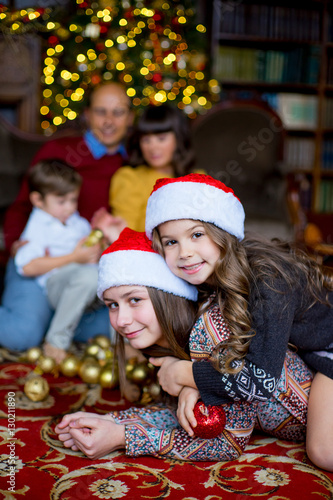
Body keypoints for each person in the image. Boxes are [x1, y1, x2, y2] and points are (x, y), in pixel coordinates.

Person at [55, 228, 313, 461]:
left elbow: (226, 441)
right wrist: (110, 421)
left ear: (167, 295)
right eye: (112, 304)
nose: (121, 320)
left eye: (134, 300)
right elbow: (193, 418)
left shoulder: (209, 331)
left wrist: (124, 437)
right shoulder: (165, 344)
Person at [144, 173, 333, 471]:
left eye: (196, 235)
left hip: (329, 351)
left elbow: (260, 381)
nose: (185, 252)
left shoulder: (268, 279)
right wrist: (198, 384)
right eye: (171, 242)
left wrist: (185, 373)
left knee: (324, 451)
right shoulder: (208, 275)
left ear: (222, 231)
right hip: (307, 351)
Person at [1, 83, 134, 351]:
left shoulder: (132, 164)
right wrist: (15, 243)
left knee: (118, 330)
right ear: (87, 114)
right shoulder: (59, 152)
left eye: (118, 112)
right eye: (101, 111)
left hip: (83, 275)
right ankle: (38, 318)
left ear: (130, 118)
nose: (109, 121)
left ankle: (52, 320)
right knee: (21, 337)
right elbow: (21, 206)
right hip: (41, 264)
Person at [12, 160, 103, 363]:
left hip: (88, 288)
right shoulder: (38, 225)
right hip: (59, 288)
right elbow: (27, 266)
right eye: (62, 201)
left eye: (73, 200)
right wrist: (75, 257)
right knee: (89, 276)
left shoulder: (75, 221)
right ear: (38, 200)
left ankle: (125, 350)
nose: (70, 207)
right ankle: (56, 341)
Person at [91, 103, 200, 242]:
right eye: (146, 140)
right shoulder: (129, 178)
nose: (152, 147)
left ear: (178, 139)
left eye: (161, 138)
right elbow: (125, 238)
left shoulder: (198, 179)